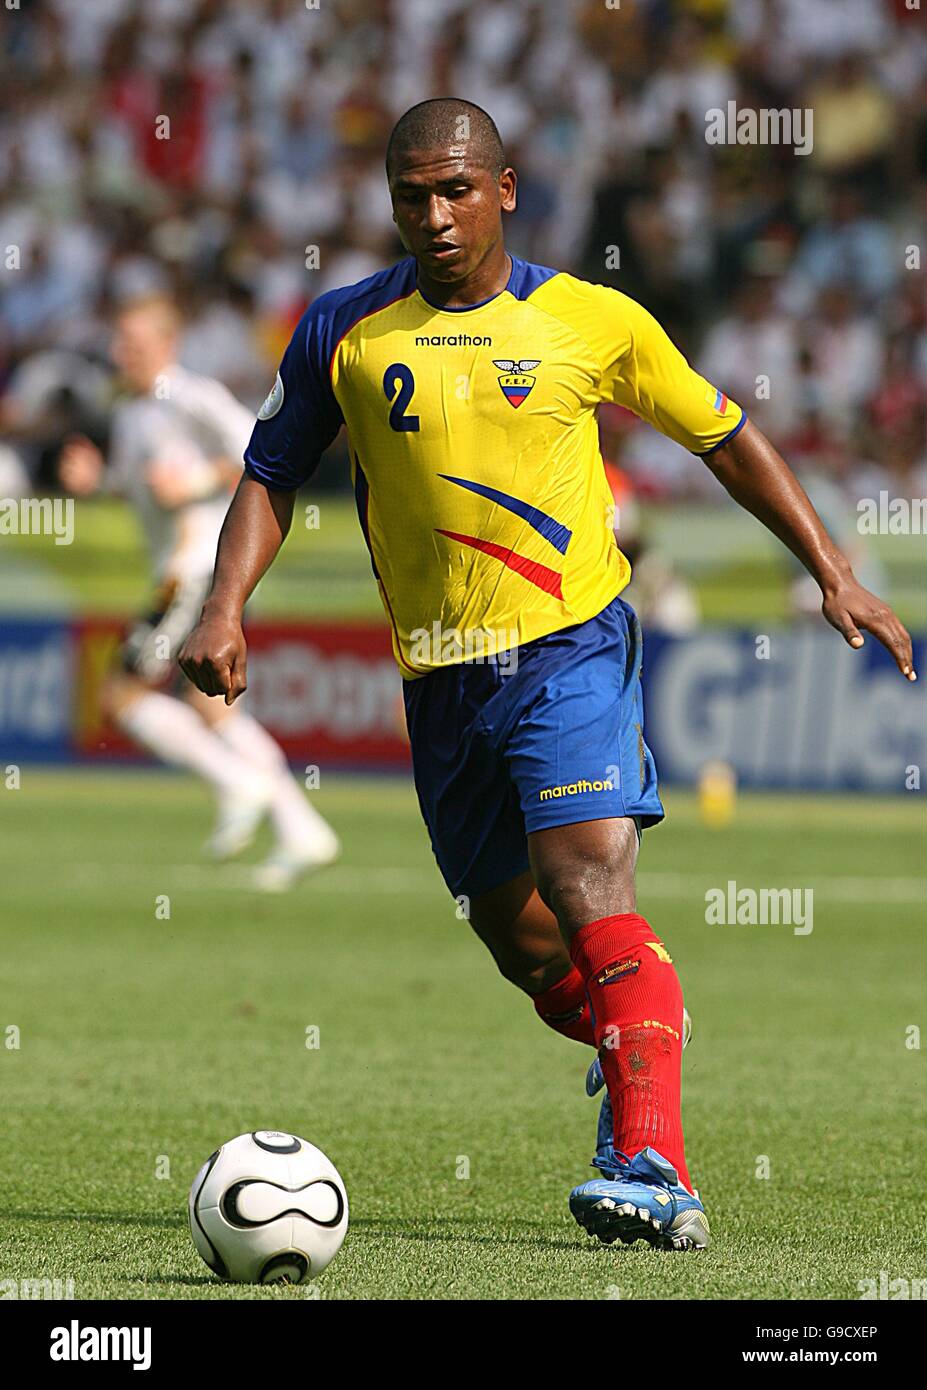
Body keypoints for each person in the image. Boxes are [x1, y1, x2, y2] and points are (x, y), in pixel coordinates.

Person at [179, 100, 916, 1249]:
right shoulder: (344, 330)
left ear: (506, 190)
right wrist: (225, 602)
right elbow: (272, 470)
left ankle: (652, 1159)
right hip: (440, 678)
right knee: (523, 944)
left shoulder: (593, 320)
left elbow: (723, 433)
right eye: (413, 194)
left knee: (585, 881)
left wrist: (833, 570)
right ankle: (643, 1026)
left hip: (570, 643)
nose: (435, 214)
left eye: (457, 189)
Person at [60, 294, 339, 892]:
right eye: (118, 342)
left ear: (168, 345)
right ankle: (302, 828)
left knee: (122, 693)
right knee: (208, 704)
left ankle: (239, 785)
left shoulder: (191, 396)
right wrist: (98, 482)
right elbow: (141, 488)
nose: (120, 353)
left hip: (198, 572)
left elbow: (261, 450)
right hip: (181, 571)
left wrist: (192, 481)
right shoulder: (135, 412)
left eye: (132, 343)